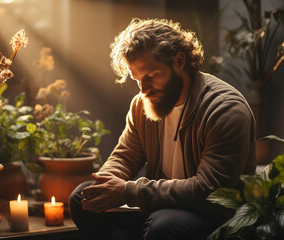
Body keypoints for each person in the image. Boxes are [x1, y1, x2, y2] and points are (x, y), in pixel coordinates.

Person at [69, 18, 256, 240]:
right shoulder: (143, 103)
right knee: (80, 198)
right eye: (137, 79)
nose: (144, 89)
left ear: (179, 60)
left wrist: (129, 191)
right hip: (159, 202)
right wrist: (105, 185)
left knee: (163, 227)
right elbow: (125, 156)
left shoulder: (224, 109)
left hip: (208, 212)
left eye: (151, 76)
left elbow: (209, 190)